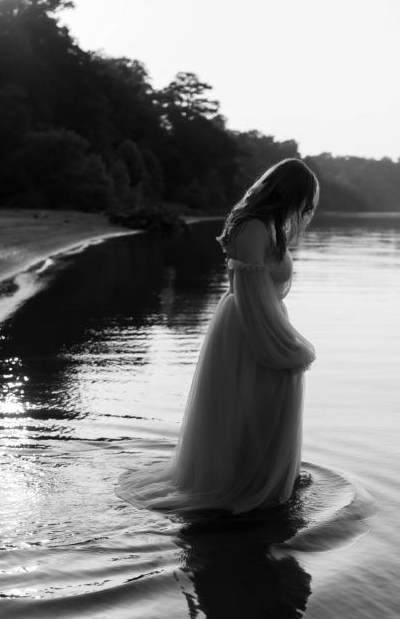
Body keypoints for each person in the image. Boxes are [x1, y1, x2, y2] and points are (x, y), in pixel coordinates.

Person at [116, 157, 319, 515]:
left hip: (263, 318)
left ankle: (266, 477)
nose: (304, 211)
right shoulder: (253, 228)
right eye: (303, 201)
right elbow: (252, 295)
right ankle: (245, 484)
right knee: (251, 406)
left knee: (261, 407)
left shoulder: (267, 227)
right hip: (250, 326)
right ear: (289, 194)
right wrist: (283, 347)